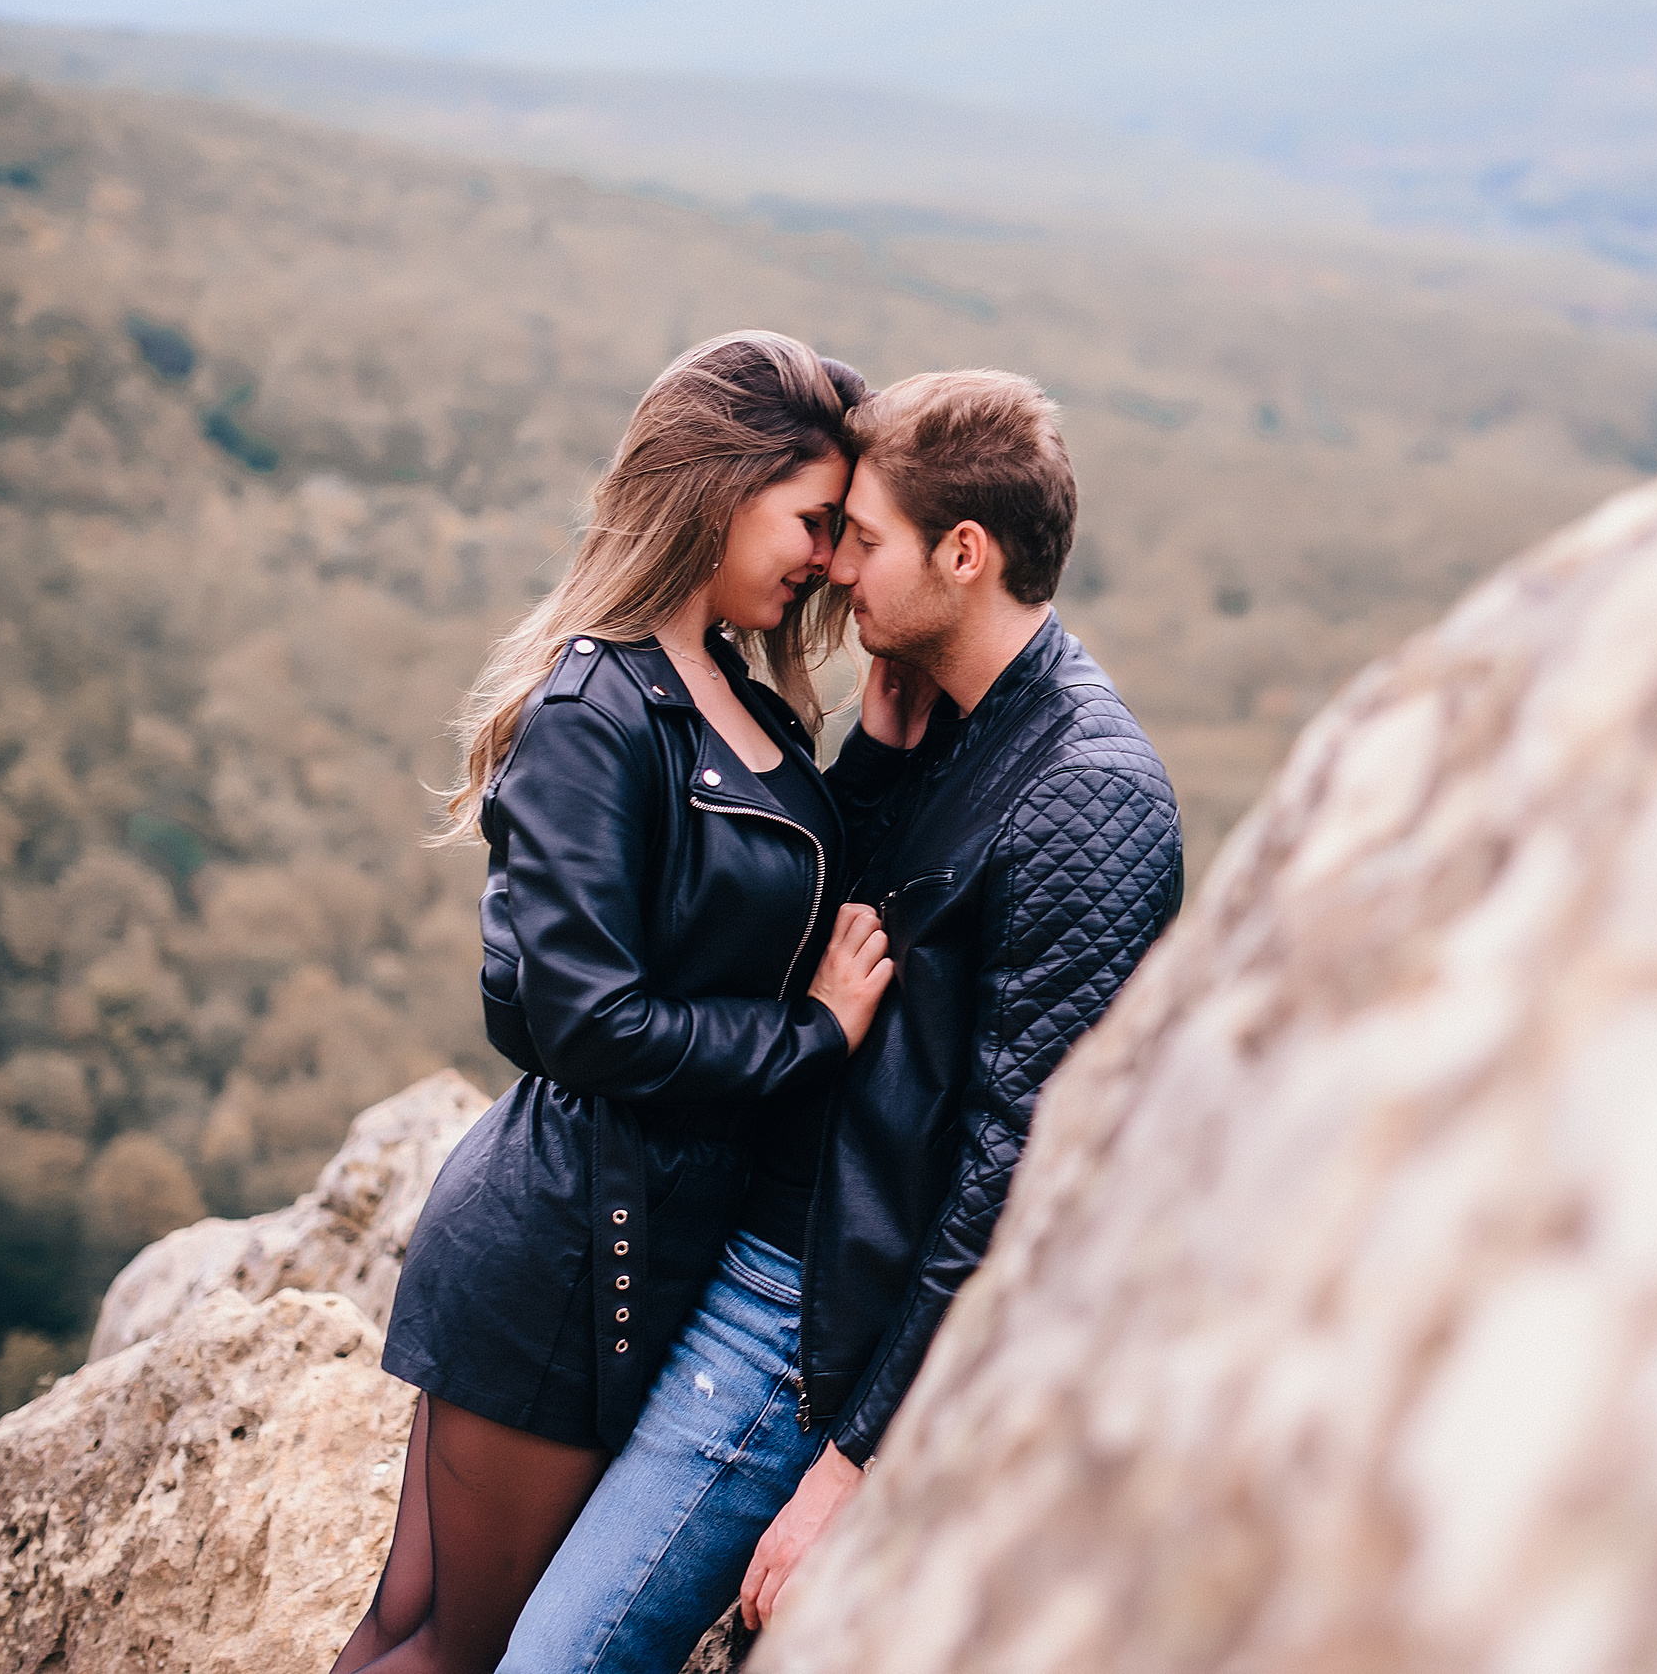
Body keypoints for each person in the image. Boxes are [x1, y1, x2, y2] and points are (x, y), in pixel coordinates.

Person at [503, 370, 1185, 1671]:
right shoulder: (950, 719)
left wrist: (854, 1459)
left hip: (804, 1315)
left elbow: (1013, 1170)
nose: (834, 569)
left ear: (965, 552)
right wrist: (872, 758)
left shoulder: (1090, 793)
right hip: (756, 1246)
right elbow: (841, 934)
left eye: (864, 539)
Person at [331, 330, 891, 1674]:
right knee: (450, 1648)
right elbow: (578, 1016)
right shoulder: (601, 704)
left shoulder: (737, 691)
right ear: (717, 485)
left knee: (417, 1631)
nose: (822, 555)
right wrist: (809, 1030)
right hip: (564, 1256)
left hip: (620, 1243)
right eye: (811, 518)